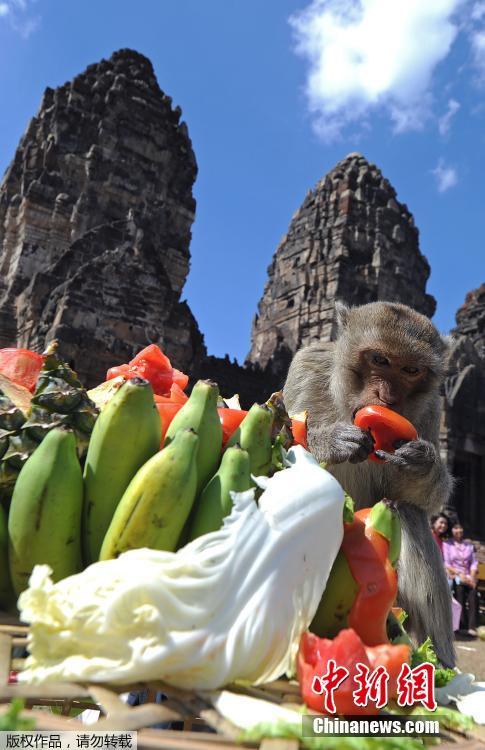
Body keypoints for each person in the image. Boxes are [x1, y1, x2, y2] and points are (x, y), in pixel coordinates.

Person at [443, 522, 479, 636]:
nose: (458, 530)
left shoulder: (468, 545)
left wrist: (472, 578)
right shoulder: (447, 544)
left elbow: (473, 563)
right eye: (455, 528)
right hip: (456, 576)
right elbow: (447, 563)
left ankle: (472, 627)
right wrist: (459, 574)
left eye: (460, 528)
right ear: (452, 530)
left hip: (468, 577)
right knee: (460, 591)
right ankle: (460, 625)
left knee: (473, 594)